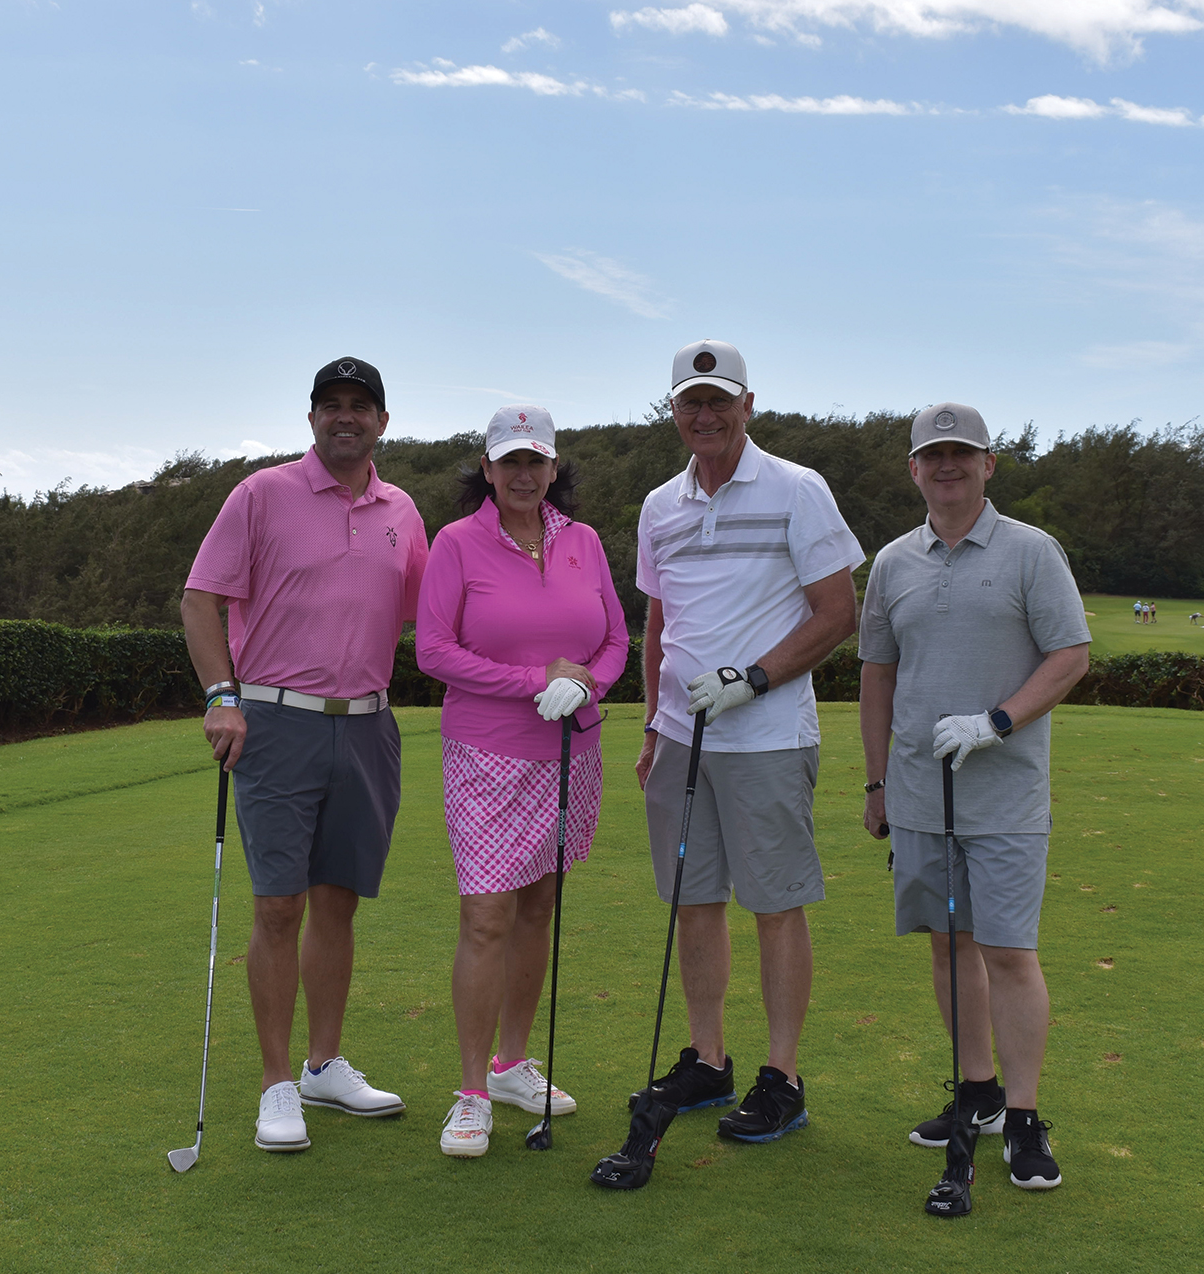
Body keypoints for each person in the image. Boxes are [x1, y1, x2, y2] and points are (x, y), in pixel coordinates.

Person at [181, 356, 429, 1153]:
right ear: (312, 416)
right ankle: (276, 1081)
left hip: (367, 725)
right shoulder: (261, 494)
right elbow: (200, 598)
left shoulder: (403, 512)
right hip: (274, 720)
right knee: (277, 904)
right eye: (331, 405)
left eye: (361, 406)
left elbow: (439, 613)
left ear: (382, 421)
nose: (345, 417)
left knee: (338, 900)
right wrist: (222, 694)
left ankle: (324, 1065)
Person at [632, 340, 864, 1146]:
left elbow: (837, 613)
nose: (706, 414)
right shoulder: (660, 505)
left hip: (766, 734)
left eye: (719, 400)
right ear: (673, 412)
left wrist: (754, 679)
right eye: (691, 402)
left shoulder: (799, 490)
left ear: (748, 405)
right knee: (694, 902)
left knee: (774, 904)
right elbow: (660, 623)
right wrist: (651, 725)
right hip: (679, 737)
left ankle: (782, 1075)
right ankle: (709, 1057)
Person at [858, 402, 1091, 1197]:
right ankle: (977, 1090)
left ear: (989, 464)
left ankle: (1023, 1118)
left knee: (1008, 953)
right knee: (946, 943)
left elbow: (1071, 654)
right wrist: (879, 780)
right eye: (933, 455)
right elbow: (878, 676)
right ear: (914, 469)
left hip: (1006, 795)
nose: (947, 466)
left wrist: (997, 721)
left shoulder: (1031, 551)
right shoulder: (893, 561)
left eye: (962, 453)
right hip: (920, 793)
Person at [415, 406, 630, 1158]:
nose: (523, 475)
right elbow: (434, 651)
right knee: (487, 917)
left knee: (538, 907)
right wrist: (532, 680)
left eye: (535, 462)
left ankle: (511, 1064)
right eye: (509, 462)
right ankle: (472, 1091)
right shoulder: (457, 542)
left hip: (572, 751)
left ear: (553, 467)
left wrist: (588, 685)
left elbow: (614, 640)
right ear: (487, 467)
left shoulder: (585, 542)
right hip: (486, 752)